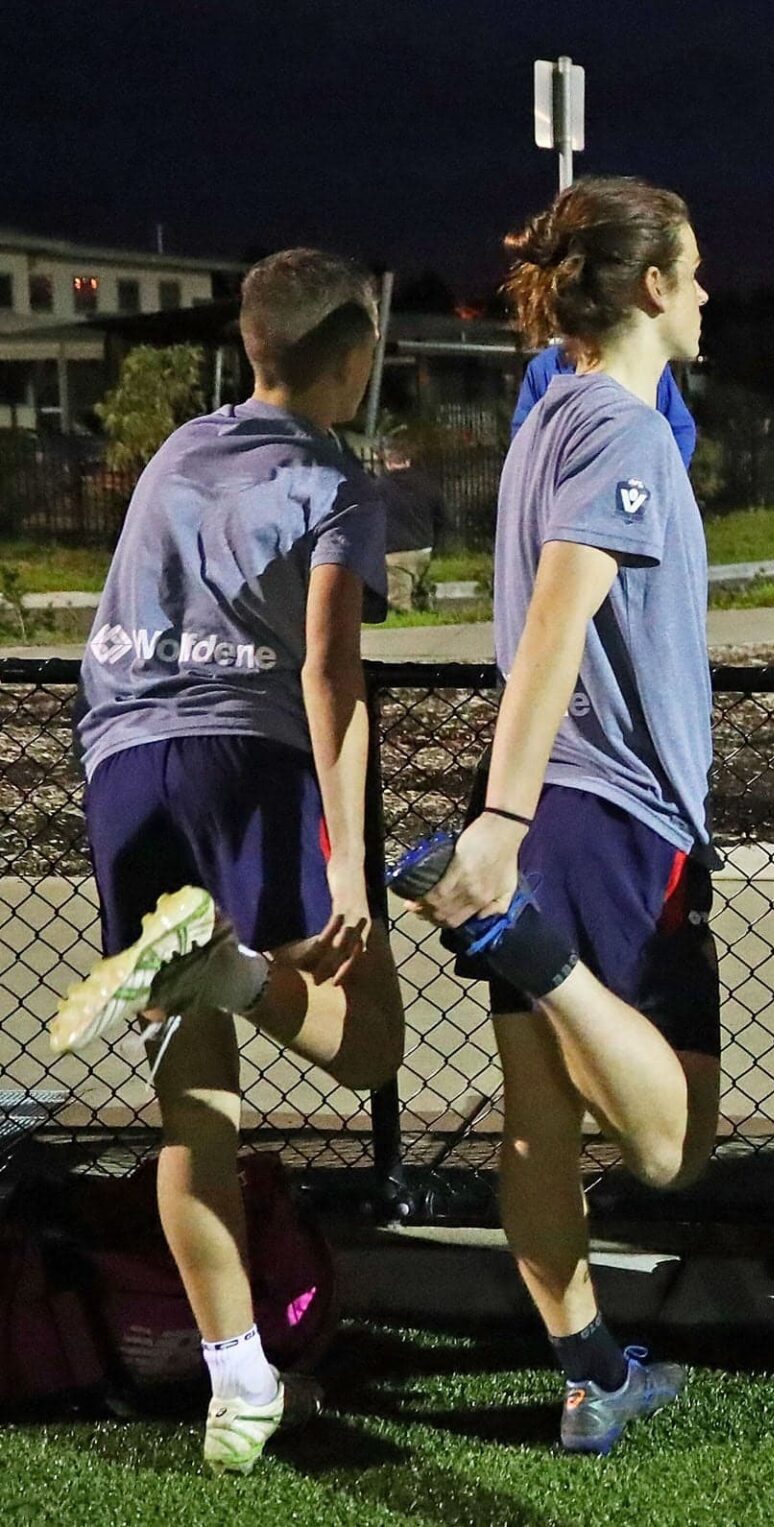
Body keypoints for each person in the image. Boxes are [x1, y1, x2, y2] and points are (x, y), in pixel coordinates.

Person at [51, 248, 406, 1474]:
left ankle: (238, 1381)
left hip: (124, 768)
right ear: (353, 359)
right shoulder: (336, 479)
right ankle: (234, 972)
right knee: (369, 1045)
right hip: (244, 759)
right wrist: (348, 864)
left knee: (192, 1104)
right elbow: (329, 674)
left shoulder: (176, 452)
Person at [412, 176, 719, 1455]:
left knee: (539, 1120)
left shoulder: (552, 413)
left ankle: (591, 1373)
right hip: (609, 810)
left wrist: (507, 816)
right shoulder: (620, 431)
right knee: (674, 1145)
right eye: (692, 271)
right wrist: (501, 816)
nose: (706, 294)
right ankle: (519, 940)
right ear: (651, 287)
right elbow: (558, 615)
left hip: (557, 808)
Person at [513, 339, 698, 467]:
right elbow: (523, 440)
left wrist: (663, 482)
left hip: (633, 495)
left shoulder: (646, 365)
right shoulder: (544, 368)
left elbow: (681, 429)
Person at [378, 434, 444, 613]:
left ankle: (412, 623)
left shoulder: (379, 488)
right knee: (417, 590)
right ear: (408, 461)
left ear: (387, 462)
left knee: (399, 604)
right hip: (424, 549)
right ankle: (426, 609)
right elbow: (441, 518)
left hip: (395, 554)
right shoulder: (427, 485)